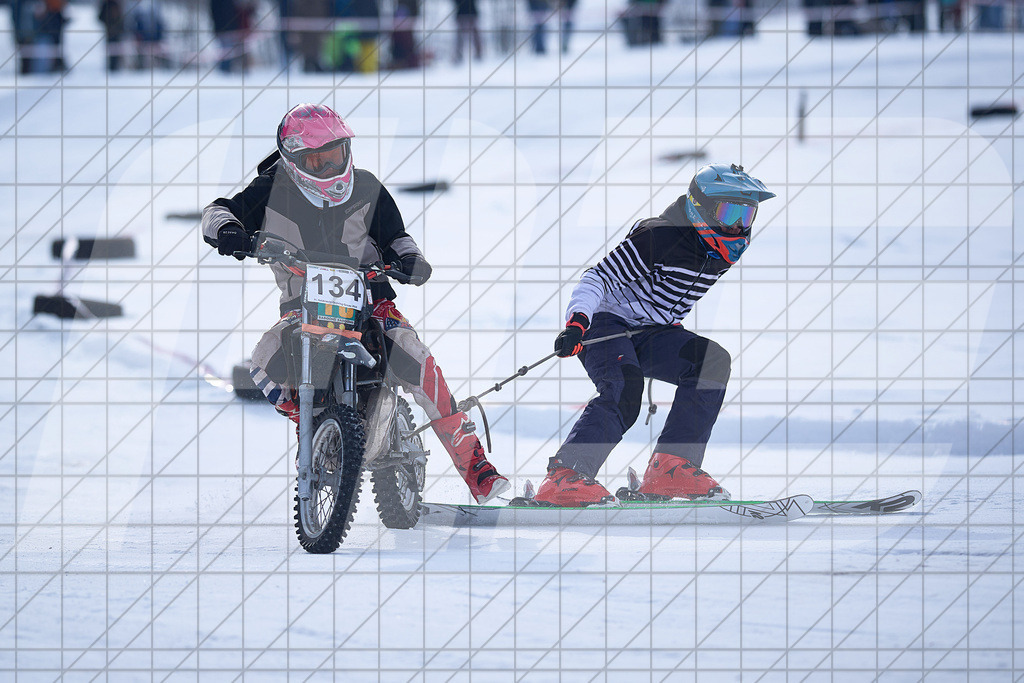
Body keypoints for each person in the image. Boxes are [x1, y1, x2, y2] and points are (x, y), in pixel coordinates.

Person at [201, 103, 510, 504]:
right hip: (302, 309)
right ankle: (315, 425)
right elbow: (217, 211)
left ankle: (477, 467)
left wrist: (411, 260)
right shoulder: (272, 188)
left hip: (372, 303)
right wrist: (229, 231)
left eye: (335, 155)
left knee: (420, 364)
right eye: (318, 161)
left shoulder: (366, 186)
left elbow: (397, 237)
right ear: (293, 160)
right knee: (263, 361)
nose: (330, 167)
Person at [534, 163, 775, 507]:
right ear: (701, 208)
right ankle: (565, 476)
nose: (738, 226)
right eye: (729, 212)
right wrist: (577, 323)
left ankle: (671, 469)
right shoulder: (658, 237)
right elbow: (598, 278)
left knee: (710, 362)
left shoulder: (718, 249)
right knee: (624, 387)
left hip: (653, 331)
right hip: (605, 323)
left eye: (746, 215)